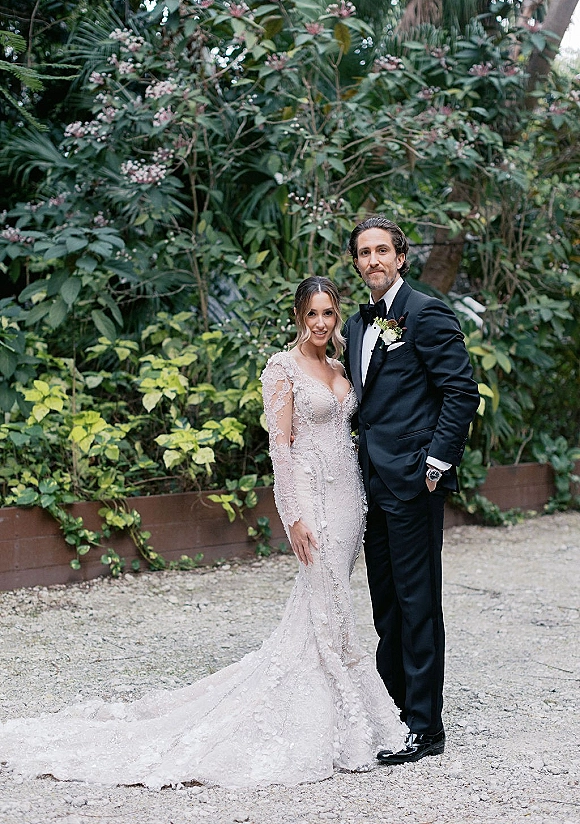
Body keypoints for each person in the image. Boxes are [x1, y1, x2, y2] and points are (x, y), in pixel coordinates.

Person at [0, 276, 405, 790]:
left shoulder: (340, 368)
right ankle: (335, 720)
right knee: (325, 602)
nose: (321, 323)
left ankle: (347, 716)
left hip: (349, 498)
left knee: (332, 602)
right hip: (312, 499)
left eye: (328, 313)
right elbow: (280, 450)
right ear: (298, 317)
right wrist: (294, 517)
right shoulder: (282, 368)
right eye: (312, 314)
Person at [343, 216, 480, 765]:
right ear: (357, 263)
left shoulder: (425, 313)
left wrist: (436, 463)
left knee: (418, 603)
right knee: (386, 605)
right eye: (364, 253)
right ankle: (392, 713)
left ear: (400, 258)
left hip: (415, 481)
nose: (373, 260)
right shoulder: (356, 324)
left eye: (382, 251)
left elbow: (461, 391)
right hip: (371, 482)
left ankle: (425, 727)